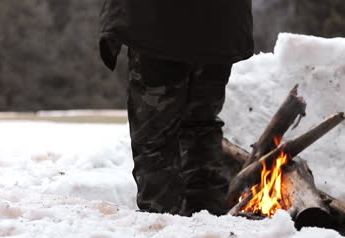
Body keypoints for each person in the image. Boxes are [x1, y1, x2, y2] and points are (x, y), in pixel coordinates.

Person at [99, 0, 254, 216]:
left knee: (155, 137)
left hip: (156, 26)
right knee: (201, 125)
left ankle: (165, 222)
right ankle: (207, 217)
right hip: (219, 25)